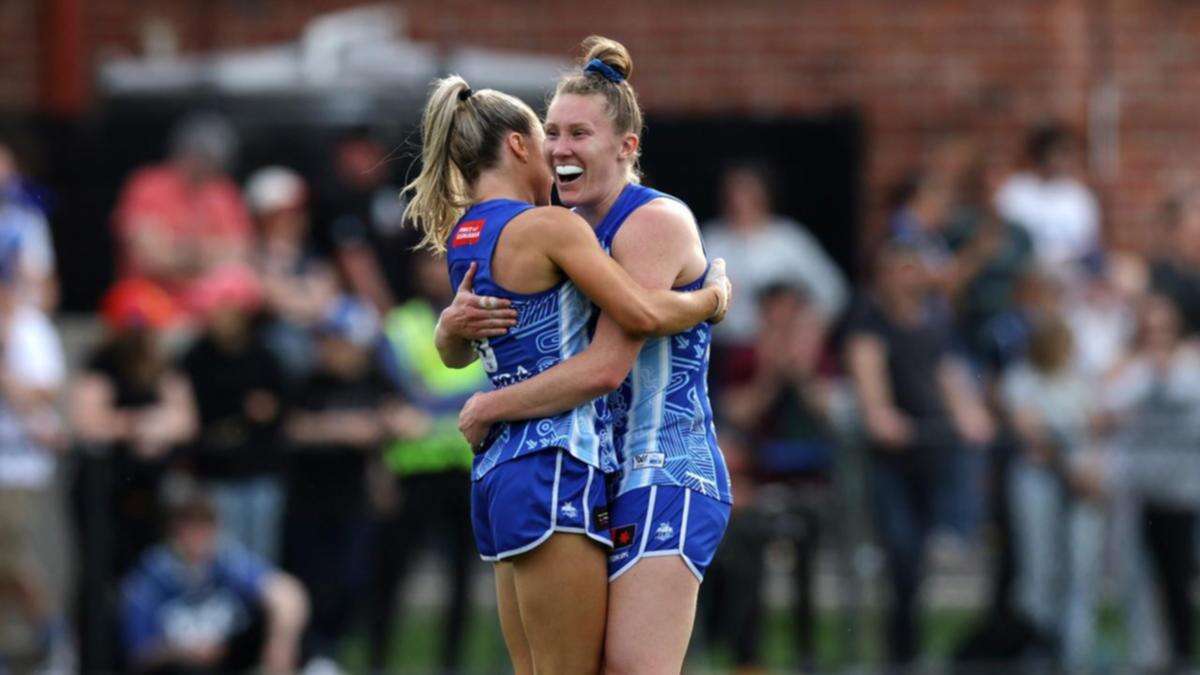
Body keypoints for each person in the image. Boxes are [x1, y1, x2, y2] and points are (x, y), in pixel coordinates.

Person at [403, 64, 729, 673]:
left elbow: (607, 364)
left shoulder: (651, 219)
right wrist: (451, 329)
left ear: (626, 146)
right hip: (586, 465)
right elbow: (488, 338)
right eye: (552, 131)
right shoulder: (557, 229)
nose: (560, 149)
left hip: (662, 464)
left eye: (579, 133)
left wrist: (487, 402)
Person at [843, 240, 994, 665]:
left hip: (932, 448)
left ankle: (957, 532)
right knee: (901, 551)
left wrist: (970, 414)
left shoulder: (937, 322)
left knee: (921, 557)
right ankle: (899, 653)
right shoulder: (869, 321)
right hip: (890, 458)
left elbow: (952, 376)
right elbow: (867, 372)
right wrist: (880, 414)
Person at [367, 253, 482, 672]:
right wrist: (449, 408)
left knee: (462, 577)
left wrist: (427, 408)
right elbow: (396, 385)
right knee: (391, 573)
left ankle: (452, 662)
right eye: (430, 265)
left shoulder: (480, 316)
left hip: (463, 466)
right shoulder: (402, 324)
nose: (436, 272)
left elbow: (484, 385)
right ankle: (378, 658)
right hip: (413, 468)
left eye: (443, 264)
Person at [280, 296, 409, 668]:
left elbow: (403, 416)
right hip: (310, 497)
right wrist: (341, 430)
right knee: (311, 577)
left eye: (338, 341)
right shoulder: (308, 379)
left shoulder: (375, 379)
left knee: (354, 578)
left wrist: (382, 428)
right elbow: (291, 428)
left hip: (356, 497)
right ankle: (313, 653)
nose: (330, 350)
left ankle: (333, 650)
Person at [121, 486, 308, 675]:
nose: (197, 534)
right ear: (173, 529)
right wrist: (186, 652)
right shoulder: (151, 575)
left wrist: (279, 647)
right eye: (189, 524)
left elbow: (287, 593)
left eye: (204, 523)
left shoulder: (227, 562)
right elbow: (140, 654)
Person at [181, 265, 288, 561]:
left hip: (260, 467)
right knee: (222, 554)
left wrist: (270, 410)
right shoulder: (196, 357)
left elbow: (284, 405)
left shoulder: (265, 355)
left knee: (261, 552)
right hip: (216, 470)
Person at [0, 241, 71, 670]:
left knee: (14, 558)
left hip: (20, 466)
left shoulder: (30, 328)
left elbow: (42, 392)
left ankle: (53, 639)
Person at [111, 113, 252, 312]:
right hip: (151, 296)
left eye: (213, 163)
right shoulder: (147, 186)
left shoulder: (222, 192)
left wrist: (179, 250)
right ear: (183, 154)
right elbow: (150, 259)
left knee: (241, 286)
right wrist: (206, 253)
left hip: (208, 298)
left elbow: (239, 254)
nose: (205, 169)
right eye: (201, 159)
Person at [703, 161, 847, 349]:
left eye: (748, 192)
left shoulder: (788, 238)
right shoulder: (712, 239)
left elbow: (833, 290)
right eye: (735, 192)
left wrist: (809, 324)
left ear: (764, 195)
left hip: (787, 347)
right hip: (727, 350)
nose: (740, 200)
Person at [244, 166, 338, 381]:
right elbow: (274, 300)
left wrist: (303, 302)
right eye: (286, 214)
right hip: (274, 337)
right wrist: (306, 302)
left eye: (298, 212)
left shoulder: (311, 254)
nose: (296, 219)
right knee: (292, 348)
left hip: (317, 330)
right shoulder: (255, 255)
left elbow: (327, 299)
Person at [994, 123, 1100, 271]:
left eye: (1069, 154)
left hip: (1070, 268)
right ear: (1042, 154)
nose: (1066, 160)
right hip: (1025, 268)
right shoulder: (1016, 189)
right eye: (1061, 153)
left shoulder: (1079, 195)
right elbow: (1001, 236)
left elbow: (1088, 244)